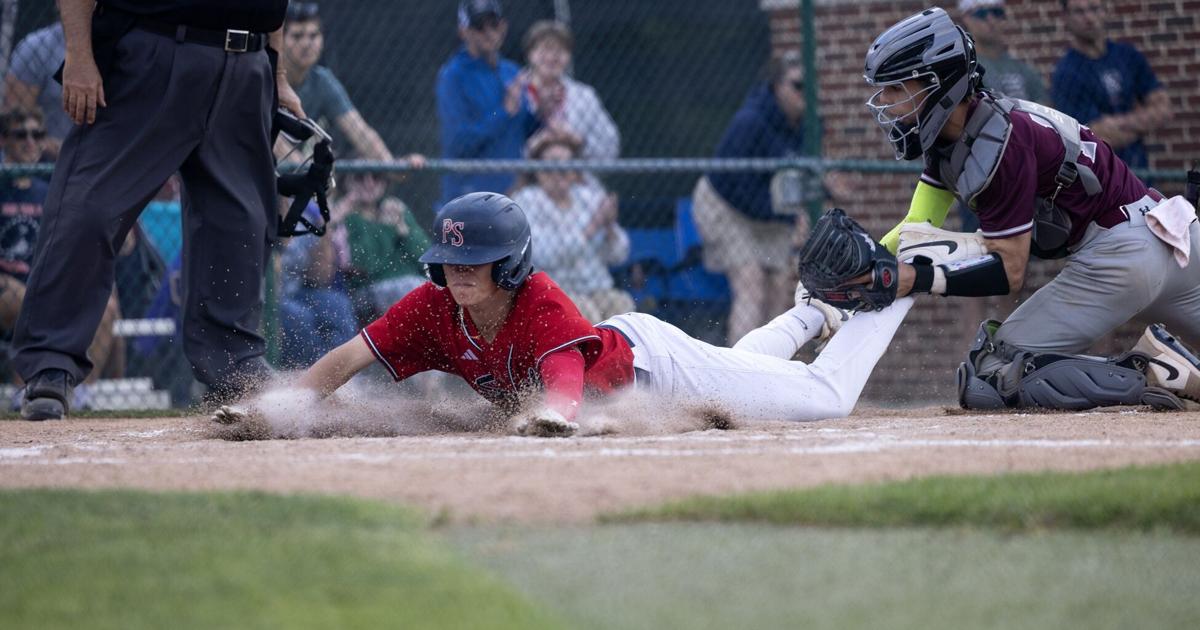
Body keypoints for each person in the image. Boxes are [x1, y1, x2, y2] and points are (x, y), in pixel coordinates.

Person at [212, 192, 917, 438]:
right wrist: (280, 409)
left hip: (656, 367)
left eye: (476, 260)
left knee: (825, 400)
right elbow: (350, 357)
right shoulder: (433, 308)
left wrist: (551, 418)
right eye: (451, 259)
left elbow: (564, 386)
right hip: (640, 355)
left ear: (510, 267)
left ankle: (899, 285)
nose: (458, 271)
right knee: (746, 370)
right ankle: (807, 312)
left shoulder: (540, 302)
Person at [849, 7, 1200, 411]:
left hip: (1125, 254)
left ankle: (1153, 368)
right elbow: (916, 227)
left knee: (994, 370)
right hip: (1173, 234)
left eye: (896, 89)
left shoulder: (997, 144)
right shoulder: (964, 131)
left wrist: (913, 278)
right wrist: (867, 263)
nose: (886, 103)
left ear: (936, 85)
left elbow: (1009, 271)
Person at [11, 0, 305, 420]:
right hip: (153, 52)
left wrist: (277, 75)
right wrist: (79, 55)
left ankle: (234, 365)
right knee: (89, 206)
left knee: (240, 223)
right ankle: (49, 365)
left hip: (246, 65)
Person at [691, 50, 816, 344]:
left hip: (766, 212)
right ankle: (738, 377)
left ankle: (767, 369)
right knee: (751, 284)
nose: (805, 94)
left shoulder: (806, 125)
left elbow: (799, 177)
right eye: (797, 86)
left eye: (810, 86)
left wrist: (825, 188)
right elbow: (738, 188)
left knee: (779, 288)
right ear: (776, 86)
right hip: (725, 206)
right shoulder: (751, 121)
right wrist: (788, 217)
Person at [0, 108, 122, 405]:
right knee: (22, 297)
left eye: (37, 135)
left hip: (46, 282)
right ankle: (24, 388)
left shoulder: (52, 189)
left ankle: (79, 393)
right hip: (8, 284)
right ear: (3, 141)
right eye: (21, 135)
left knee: (107, 307)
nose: (30, 142)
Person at [511, 133, 634, 322]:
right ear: (539, 170)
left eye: (567, 164)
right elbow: (545, 255)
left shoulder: (588, 197)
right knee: (587, 313)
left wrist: (609, 228)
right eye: (553, 164)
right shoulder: (528, 200)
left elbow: (619, 255)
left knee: (625, 309)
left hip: (597, 288)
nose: (560, 171)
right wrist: (592, 227)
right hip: (554, 289)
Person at [436, 0, 540, 206]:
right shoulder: (452, 76)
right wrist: (502, 112)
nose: (488, 32)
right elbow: (459, 142)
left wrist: (542, 110)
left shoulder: (512, 71)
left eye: (493, 24)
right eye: (478, 26)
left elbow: (525, 130)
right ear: (463, 31)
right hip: (470, 199)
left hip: (516, 197)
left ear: (503, 26)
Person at [1050, 0, 1171, 172]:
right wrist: (1141, 124)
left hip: (1140, 172)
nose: (1089, 18)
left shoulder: (1127, 56)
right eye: (1079, 12)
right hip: (1102, 179)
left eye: (1094, 8)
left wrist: (1118, 122)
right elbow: (1092, 139)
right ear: (1066, 18)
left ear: (1105, 11)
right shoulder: (1067, 73)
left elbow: (1163, 109)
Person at [280, 2, 409, 163]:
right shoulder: (266, 77)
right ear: (280, 40)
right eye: (297, 36)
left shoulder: (322, 81)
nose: (306, 43)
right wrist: (299, 167)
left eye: (313, 36)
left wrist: (392, 166)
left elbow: (359, 131)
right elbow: (265, 136)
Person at [334, 172, 430, 320]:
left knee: (437, 290)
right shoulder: (343, 215)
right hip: (366, 291)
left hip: (410, 285)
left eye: (377, 176)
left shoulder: (395, 208)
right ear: (347, 181)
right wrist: (386, 229)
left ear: (385, 182)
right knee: (415, 290)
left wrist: (404, 230)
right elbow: (364, 264)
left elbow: (427, 260)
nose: (369, 183)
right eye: (360, 177)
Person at [521, 20, 620, 161]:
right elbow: (497, 138)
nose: (551, 57)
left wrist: (577, 141)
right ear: (530, 54)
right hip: (523, 180)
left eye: (560, 51)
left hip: (576, 178)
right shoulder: (512, 91)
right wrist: (537, 143)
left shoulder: (584, 96)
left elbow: (611, 146)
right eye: (545, 49)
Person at [3, 19, 69, 157]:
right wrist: (54, 148)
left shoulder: (120, 43)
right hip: (42, 162)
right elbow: (13, 121)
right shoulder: (35, 47)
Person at [957, 1, 1046, 104]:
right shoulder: (966, 70)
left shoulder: (1023, 69)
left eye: (996, 12)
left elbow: (1045, 109)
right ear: (966, 19)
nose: (991, 20)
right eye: (981, 13)